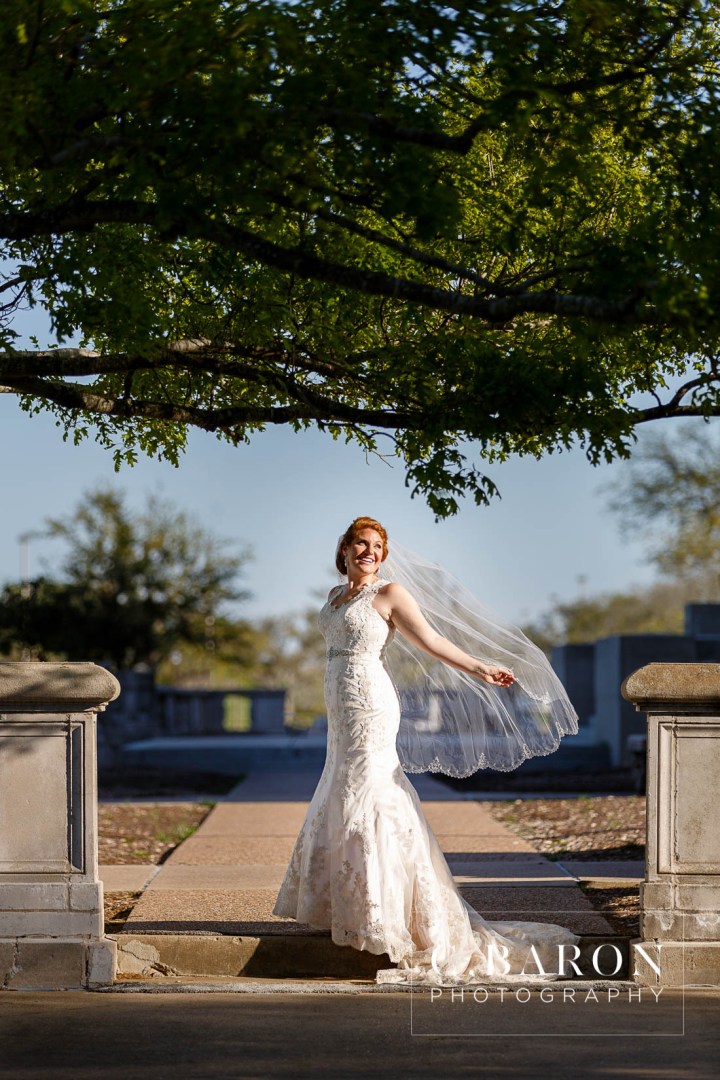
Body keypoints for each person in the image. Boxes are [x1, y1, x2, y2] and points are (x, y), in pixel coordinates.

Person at [272, 516, 580, 984]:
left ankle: (389, 915)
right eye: (361, 544)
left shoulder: (389, 595)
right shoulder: (336, 598)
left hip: (372, 704)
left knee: (374, 795)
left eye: (377, 546)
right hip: (341, 709)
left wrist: (481, 668)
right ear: (345, 548)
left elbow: (432, 640)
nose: (369, 552)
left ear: (385, 554)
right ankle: (352, 909)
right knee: (341, 789)